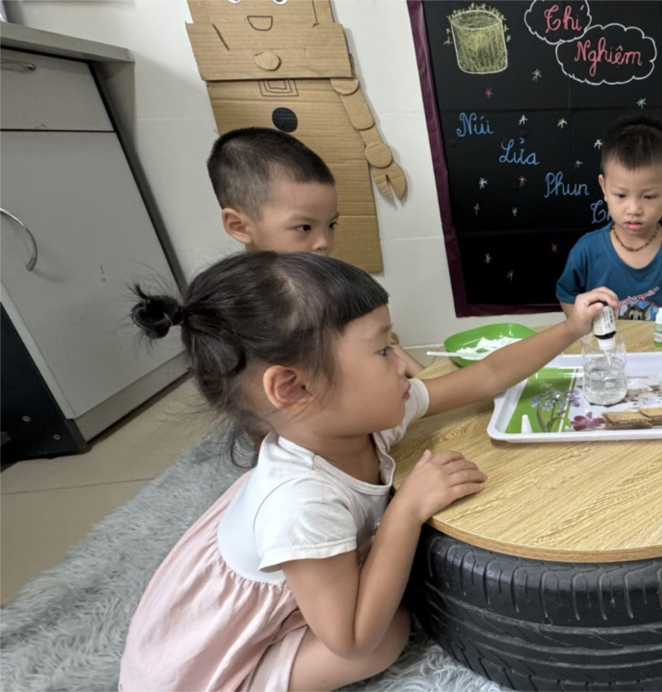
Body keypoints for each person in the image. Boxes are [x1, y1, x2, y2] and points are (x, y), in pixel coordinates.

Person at [120, 251, 616, 691]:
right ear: (294, 388)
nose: (404, 364)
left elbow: (485, 376)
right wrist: (406, 510)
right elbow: (353, 638)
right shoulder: (299, 503)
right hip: (200, 666)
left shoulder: (361, 418)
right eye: (383, 350)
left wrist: (570, 328)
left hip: (291, 577)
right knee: (388, 635)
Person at [207, 127, 424, 374]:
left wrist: (421, 376)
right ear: (239, 226)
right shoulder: (242, 311)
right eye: (304, 227)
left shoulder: (327, 282)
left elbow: (384, 344)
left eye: (331, 225)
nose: (324, 242)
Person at [556, 115, 662, 324]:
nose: (634, 210)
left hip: (661, 344)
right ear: (604, 187)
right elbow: (568, 296)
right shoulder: (586, 250)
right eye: (621, 195)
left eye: (649, 196)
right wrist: (586, 331)